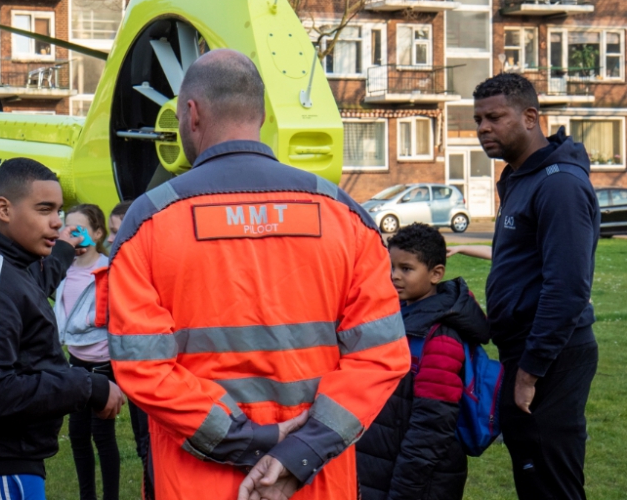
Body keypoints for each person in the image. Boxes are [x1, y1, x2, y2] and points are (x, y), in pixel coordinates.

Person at [106, 49, 410, 500]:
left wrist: (249, 440)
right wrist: (299, 452)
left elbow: (143, 366)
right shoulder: (344, 215)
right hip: (311, 480)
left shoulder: (149, 221)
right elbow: (380, 357)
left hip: (197, 483)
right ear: (263, 114)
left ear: (191, 113)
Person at [0, 158, 125, 500]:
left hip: (12, 462)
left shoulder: (12, 262)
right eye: (45, 209)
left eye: (58, 211)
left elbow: (32, 287)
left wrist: (61, 249)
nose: (56, 221)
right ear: (4, 209)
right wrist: (85, 385)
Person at [472, 73, 600, 500]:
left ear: (530, 117)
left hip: (550, 355)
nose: (483, 128)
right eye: (478, 120)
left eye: (495, 117)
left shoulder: (558, 184)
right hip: (523, 350)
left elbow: (567, 288)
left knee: (551, 482)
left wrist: (530, 372)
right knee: (533, 475)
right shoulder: (519, 177)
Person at [356, 223, 490, 500]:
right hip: (382, 466)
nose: (394, 276)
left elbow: (433, 425)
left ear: (436, 273)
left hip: (417, 480)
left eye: (406, 269)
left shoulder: (441, 338)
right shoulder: (398, 316)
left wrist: (405, 491)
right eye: (390, 267)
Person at [54, 204, 119, 500]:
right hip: (76, 362)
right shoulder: (62, 270)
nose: (74, 237)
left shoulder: (110, 269)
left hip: (103, 365)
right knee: (78, 436)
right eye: (69, 230)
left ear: (97, 233)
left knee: (102, 436)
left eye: (80, 230)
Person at [107, 200, 156, 500]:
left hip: (153, 370)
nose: (112, 239)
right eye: (111, 232)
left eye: (117, 231)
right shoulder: (118, 268)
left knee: (152, 441)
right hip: (134, 370)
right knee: (142, 442)